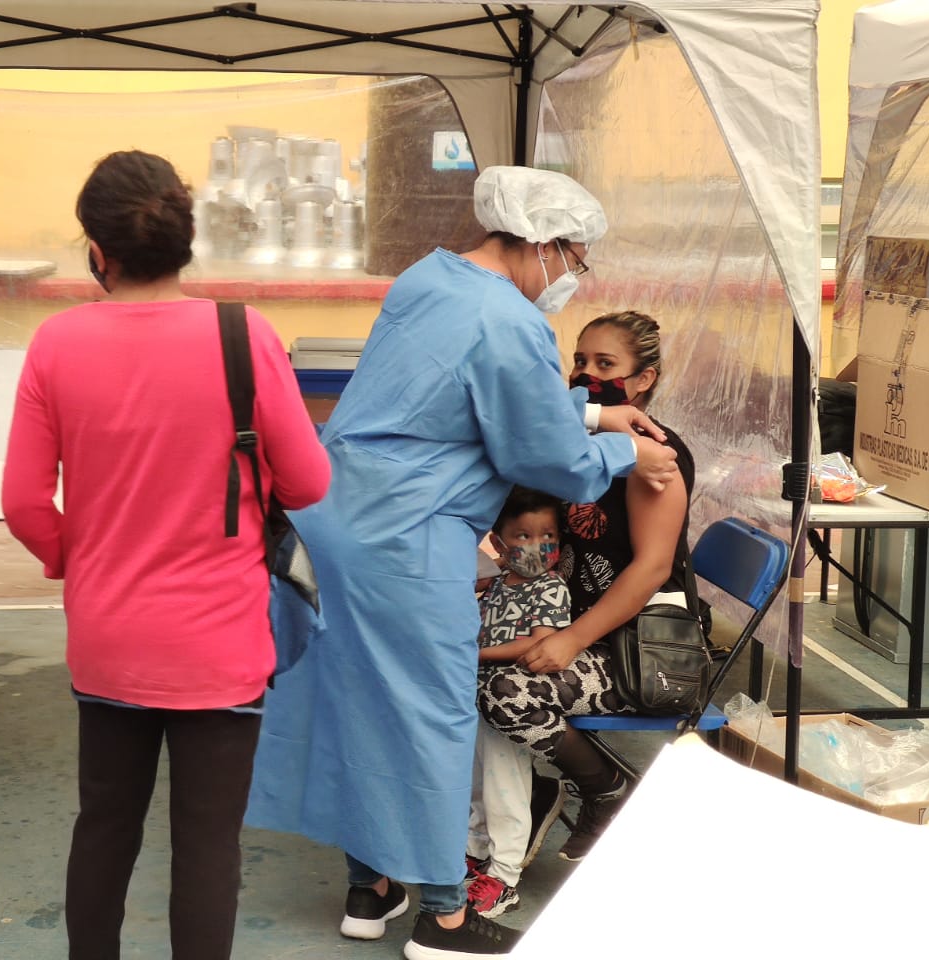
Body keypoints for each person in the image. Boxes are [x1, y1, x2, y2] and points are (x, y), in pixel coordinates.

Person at [244, 166, 680, 960]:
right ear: (543, 241)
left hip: (338, 517)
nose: (572, 276)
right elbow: (542, 452)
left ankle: (372, 887)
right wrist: (620, 448)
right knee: (430, 715)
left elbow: (455, 392)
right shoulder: (510, 321)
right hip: (407, 539)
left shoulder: (429, 279)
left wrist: (589, 409)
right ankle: (446, 917)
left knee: (360, 701)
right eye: (575, 259)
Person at [1, 149, 330, 960]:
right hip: (219, 643)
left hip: (110, 637)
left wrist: (79, 561)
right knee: (208, 846)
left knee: (105, 825)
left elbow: (19, 502)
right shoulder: (240, 333)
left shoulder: (56, 343)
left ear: (96, 250)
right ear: (185, 241)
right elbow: (311, 482)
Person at [478, 310, 694, 863]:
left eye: (605, 364)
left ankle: (605, 789)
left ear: (642, 380)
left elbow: (649, 570)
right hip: (579, 627)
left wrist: (571, 639)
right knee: (461, 666)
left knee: (503, 692)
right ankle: (532, 795)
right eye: (579, 360)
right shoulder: (579, 444)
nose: (584, 373)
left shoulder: (654, 453)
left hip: (636, 651)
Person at [466, 487, 571, 918]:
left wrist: (473, 653)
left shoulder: (551, 588)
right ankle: (474, 851)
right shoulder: (495, 586)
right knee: (473, 782)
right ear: (498, 542)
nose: (536, 546)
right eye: (523, 536)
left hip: (509, 704)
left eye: (547, 535)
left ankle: (504, 876)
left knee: (504, 787)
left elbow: (539, 642)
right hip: (478, 696)